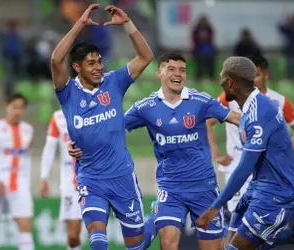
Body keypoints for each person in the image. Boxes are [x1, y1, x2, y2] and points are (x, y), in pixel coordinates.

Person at [68, 52, 240, 250]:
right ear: (159, 73)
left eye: (182, 70)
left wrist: (263, 124)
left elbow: (234, 117)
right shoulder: (146, 107)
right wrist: (76, 142)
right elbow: (109, 126)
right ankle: (157, 214)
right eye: (172, 69)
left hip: (203, 187)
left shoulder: (201, 101)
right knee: (167, 243)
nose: (178, 74)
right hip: (170, 187)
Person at [51, 3, 153, 250]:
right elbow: (56, 59)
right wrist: (79, 25)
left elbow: (145, 57)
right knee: (97, 234)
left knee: (137, 244)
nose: (98, 67)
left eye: (99, 61)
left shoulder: (114, 82)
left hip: (122, 177)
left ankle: (156, 218)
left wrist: (128, 24)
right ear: (77, 68)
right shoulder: (67, 92)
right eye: (91, 63)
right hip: (90, 178)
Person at [196, 57, 294, 250]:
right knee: (233, 238)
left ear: (230, 83)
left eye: (222, 76)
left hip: (275, 193)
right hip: (260, 186)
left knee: (237, 247)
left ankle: (293, 235)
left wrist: (215, 207)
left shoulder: (257, 114)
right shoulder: (251, 107)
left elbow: (243, 169)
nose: (219, 80)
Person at [0, 93, 34, 250]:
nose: (17, 111)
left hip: (19, 182)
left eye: (21, 108)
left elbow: (26, 160)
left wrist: (27, 183)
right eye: (14, 107)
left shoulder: (28, 130)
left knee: (25, 224)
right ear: (7, 107)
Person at [40, 110, 83, 250]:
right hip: (70, 183)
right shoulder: (58, 117)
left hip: (93, 178)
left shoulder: (92, 109)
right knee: (72, 236)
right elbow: (49, 147)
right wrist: (44, 177)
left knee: (96, 230)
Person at [191, 15, 216, 81]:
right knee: (199, 64)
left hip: (208, 49)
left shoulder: (209, 29)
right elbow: (193, 38)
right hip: (199, 49)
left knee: (210, 64)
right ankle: (199, 77)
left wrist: (205, 38)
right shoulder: (196, 30)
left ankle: (211, 76)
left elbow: (211, 38)